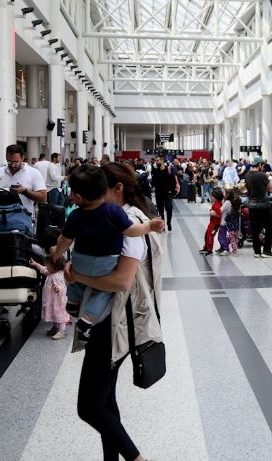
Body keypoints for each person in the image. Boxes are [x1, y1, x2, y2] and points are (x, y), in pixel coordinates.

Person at [65, 161, 162, 461]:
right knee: (106, 401)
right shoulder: (112, 219)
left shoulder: (128, 225)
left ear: (117, 189)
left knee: (89, 407)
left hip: (114, 324)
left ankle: (137, 459)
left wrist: (78, 276)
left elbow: (121, 281)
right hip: (110, 320)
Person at [51, 164, 164, 340]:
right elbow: (131, 231)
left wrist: (74, 273)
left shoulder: (78, 215)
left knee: (98, 291)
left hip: (117, 321)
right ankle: (86, 318)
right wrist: (150, 226)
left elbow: (121, 282)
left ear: (118, 188)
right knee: (101, 294)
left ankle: (74, 304)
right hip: (104, 271)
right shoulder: (115, 213)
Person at [29, 255, 70, 340]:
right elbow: (43, 269)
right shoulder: (51, 273)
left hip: (58, 301)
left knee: (59, 315)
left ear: (55, 266)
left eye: (48, 265)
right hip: (52, 300)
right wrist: (36, 264)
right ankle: (55, 328)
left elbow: (63, 287)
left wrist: (58, 288)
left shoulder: (58, 276)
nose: (46, 266)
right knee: (54, 314)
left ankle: (62, 331)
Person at [0, 144, 47, 218]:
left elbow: (43, 198)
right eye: (9, 162)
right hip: (2, 219)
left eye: (16, 162)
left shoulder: (33, 173)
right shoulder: (0, 171)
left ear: (22, 158)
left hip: (23, 220)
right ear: (6, 157)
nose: (13, 165)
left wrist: (25, 191)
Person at [245, 156, 272, 258]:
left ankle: (257, 252)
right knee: (269, 227)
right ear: (259, 165)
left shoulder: (247, 175)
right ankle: (266, 250)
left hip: (252, 205)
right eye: (262, 165)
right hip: (263, 205)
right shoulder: (262, 175)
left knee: (255, 229)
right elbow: (271, 189)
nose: (263, 167)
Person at [151, 155, 178, 231]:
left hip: (168, 193)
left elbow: (173, 181)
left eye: (157, 160)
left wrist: (172, 191)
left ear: (162, 161)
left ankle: (169, 223)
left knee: (169, 208)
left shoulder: (168, 170)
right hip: (158, 193)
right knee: (160, 210)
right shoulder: (155, 171)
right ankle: (162, 225)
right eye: (156, 161)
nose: (156, 162)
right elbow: (153, 183)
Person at [199, 188, 224, 256]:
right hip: (212, 223)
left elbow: (219, 214)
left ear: (216, 197)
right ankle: (206, 248)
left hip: (214, 224)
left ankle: (209, 249)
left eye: (212, 196)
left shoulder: (217, 205)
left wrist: (211, 212)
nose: (211, 197)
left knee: (210, 236)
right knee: (207, 235)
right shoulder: (217, 203)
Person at [225, 190, 241, 256]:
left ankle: (234, 251)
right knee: (236, 238)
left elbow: (226, 219)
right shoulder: (238, 213)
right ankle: (234, 248)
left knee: (232, 239)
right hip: (236, 227)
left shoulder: (230, 213)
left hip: (231, 228)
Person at [217, 189, 232, 255]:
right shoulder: (227, 201)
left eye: (224, 192)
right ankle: (222, 248)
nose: (222, 193)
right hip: (225, 222)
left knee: (221, 236)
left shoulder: (227, 202)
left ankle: (226, 249)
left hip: (224, 222)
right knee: (222, 235)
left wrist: (214, 209)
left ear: (227, 194)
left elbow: (220, 210)